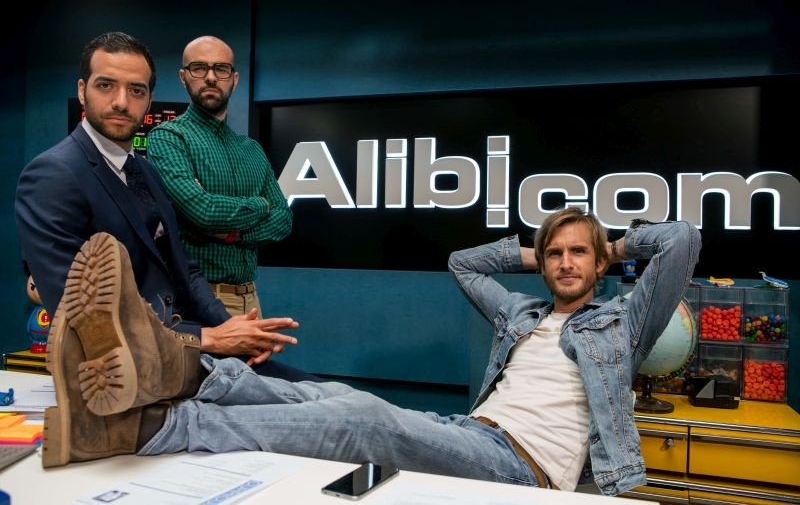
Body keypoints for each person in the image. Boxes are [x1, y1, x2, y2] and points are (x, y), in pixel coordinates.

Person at [43, 207, 701, 497]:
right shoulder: (522, 313)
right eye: (554, 253)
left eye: (578, 254)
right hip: (470, 432)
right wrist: (537, 252)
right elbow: (463, 263)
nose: (565, 263)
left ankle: (149, 427)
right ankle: (182, 372)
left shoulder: (622, 325)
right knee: (327, 393)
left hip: (521, 468)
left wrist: (611, 245)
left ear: (599, 262)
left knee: (365, 421)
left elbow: (682, 242)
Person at [14, 31, 313, 384]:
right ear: (82, 90)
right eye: (106, 86)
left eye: (136, 90)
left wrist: (229, 328)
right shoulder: (53, 174)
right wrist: (207, 338)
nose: (121, 102)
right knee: (332, 408)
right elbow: (83, 315)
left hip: (187, 345)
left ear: (149, 98)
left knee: (328, 393)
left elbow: (185, 268)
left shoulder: (145, 172)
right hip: (128, 376)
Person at [146, 35, 291, 318]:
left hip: (251, 299)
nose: (211, 77)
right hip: (198, 299)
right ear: (184, 77)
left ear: (234, 79)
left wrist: (233, 233)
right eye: (199, 68)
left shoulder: (251, 149)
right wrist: (261, 205)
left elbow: (283, 219)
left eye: (221, 69)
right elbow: (203, 211)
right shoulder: (168, 138)